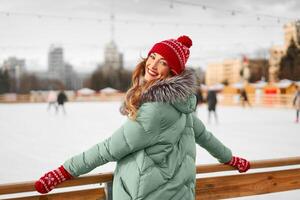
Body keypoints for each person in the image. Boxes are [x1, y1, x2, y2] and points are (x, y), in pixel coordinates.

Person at [35, 35, 250, 199]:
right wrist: (230, 159)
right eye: (153, 57)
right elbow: (205, 136)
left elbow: (110, 148)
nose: (153, 65)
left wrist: (64, 171)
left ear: (173, 72)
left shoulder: (155, 110)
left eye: (163, 62)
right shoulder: (180, 106)